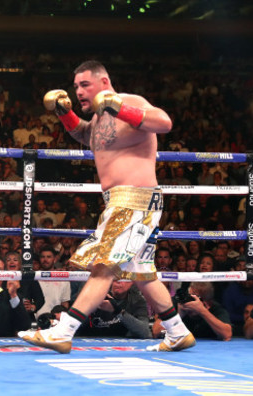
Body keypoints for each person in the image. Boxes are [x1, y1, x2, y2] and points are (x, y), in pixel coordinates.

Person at [20, 60, 194, 354]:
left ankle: (63, 332)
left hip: (135, 199)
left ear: (104, 83)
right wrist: (65, 113)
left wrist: (118, 107)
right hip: (119, 201)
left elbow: (165, 123)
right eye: (75, 87)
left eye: (84, 85)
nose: (79, 91)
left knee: (104, 266)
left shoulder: (128, 102)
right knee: (141, 272)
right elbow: (86, 136)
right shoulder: (99, 120)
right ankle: (178, 332)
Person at [154, 282, 232, 341]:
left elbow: (227, 335)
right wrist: (179, 315)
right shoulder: (178, 303)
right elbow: (156, 332)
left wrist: (203, 311)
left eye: (194, 299)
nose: (190, 302)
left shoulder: (215, 309)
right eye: (189, 296)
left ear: (207, 304)